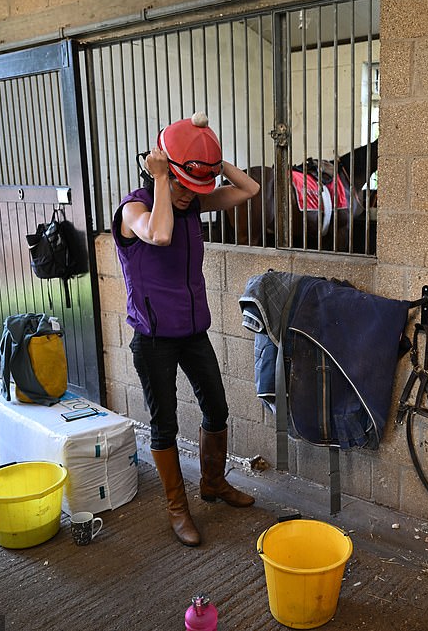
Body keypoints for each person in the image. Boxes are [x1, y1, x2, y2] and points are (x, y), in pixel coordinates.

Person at [113, 112, 260, 547]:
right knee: (164, 425)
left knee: (217, 409)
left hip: (194, 334)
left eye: (194, 189)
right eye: (182, 185)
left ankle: (213, 484)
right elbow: (158, 236)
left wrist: (209, 163)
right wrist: (163, 177)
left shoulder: (193, 201)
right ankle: (178, 509)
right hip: (153, 339)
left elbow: (248, 189)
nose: (188, 195)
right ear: (162, 172)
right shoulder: (135, 207)